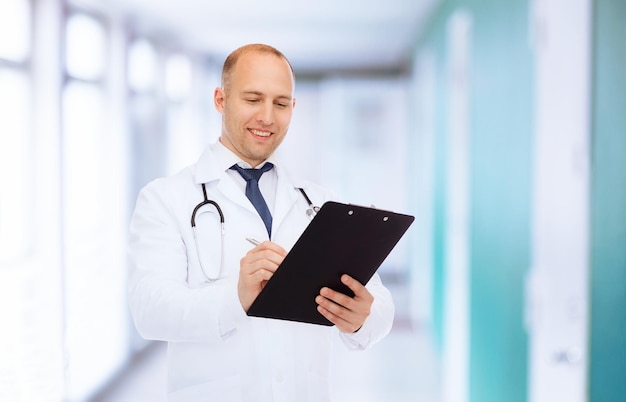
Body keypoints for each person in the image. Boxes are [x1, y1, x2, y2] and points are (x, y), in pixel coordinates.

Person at [127, 43, 394, 402]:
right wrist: (233, 298)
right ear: (220, 99)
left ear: (293, 108)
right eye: (253, 99)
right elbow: (149, 310)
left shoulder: (320, 204)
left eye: (281, 103)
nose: (267, 117)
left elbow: (379, 302)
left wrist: (363, 316)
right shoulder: (165, 198)